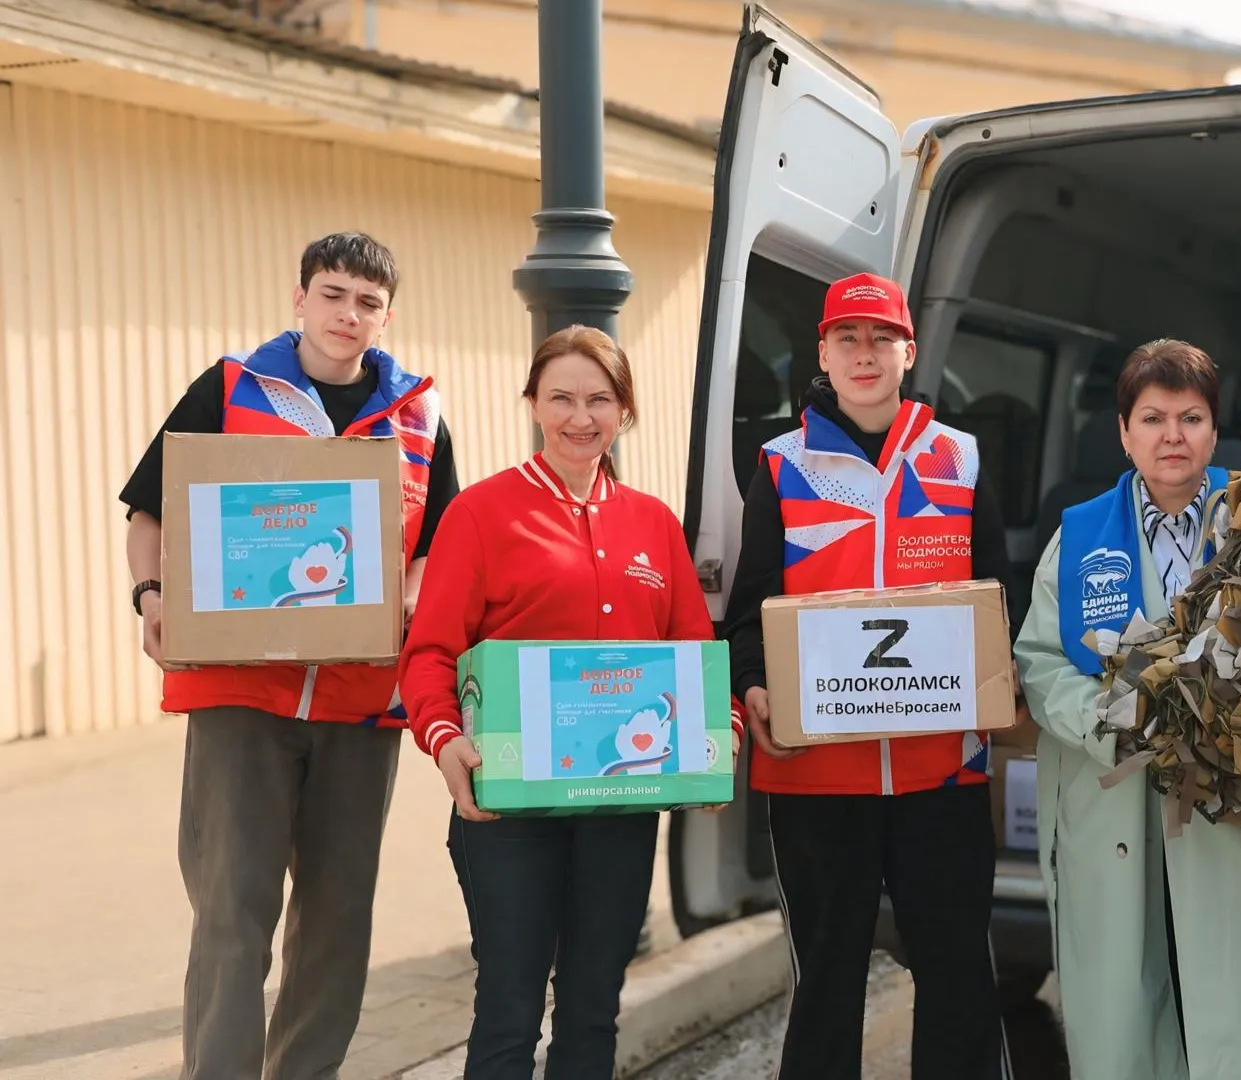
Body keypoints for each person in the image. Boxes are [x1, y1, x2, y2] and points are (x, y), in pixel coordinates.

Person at [118, 232, 456, 1080]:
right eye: (333, 294)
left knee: (339, 922)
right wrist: (151, 595)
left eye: (368, 302)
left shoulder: (421, 416)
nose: (349, 314)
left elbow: (437, 546)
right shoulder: (230, 387)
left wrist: (410, 595)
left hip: (362, 703)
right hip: (241, 698)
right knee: (232, 915)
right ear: (300, 298)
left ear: (386, 316)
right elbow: (150, 512)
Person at [1013, 339, 1241, 1080]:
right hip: (1114, 803)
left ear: (1216, 432)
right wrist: (1118, 719)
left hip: (1238, 810)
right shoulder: (1079, 536)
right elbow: (1039, 661)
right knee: (1122, 1016)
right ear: (1124, 432)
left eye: (1190, 418)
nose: (1172, 436)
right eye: (1152, 419)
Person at [396, 325, 742, 1078]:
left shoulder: (654, 523)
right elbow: (428, 653)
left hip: (621, 807)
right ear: (532, 403)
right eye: (561, 398)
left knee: (593, 1008)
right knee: (510, 1009)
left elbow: (693, 654)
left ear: (624, 410)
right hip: (507, 808)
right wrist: (444, 738)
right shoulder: (480, 513)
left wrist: (720, 735)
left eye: (599, 400)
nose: (580, 417)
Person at [722, 272, 1012, 1080]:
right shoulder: (782, 465)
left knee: (958, 979)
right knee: (826, 985)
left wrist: (1002, 680)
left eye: (882, 337)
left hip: (943, 771)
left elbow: (1000, 598)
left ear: (908, 353)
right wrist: (754, 685)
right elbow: (748, 614)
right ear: (821, 353)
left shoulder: (958, 457)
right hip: (816, 778)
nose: (864, 353)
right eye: (846, 338)